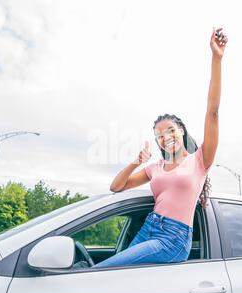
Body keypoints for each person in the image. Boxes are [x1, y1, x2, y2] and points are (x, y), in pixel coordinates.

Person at [91, 27, 228, 268]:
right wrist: (136, 161)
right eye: (160, 136)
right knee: (113, 278)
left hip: (172, 239)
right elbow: (116, 187)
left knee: (101, 271)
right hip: (149, 228)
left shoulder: (199, 161)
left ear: (181, 131)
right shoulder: (155, 167)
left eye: (171, 131)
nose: (166, 137)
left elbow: (213, 111)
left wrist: (216, 59)